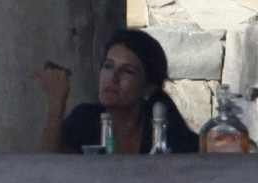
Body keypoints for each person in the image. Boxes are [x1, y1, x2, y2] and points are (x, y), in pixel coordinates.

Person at [30, 28, 198, 154]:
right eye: (108, 66)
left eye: (127, 71)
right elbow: (46, 170)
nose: (113, 77)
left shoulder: (164, 133)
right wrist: (56, 104)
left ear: (148, 87)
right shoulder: (85, 120)